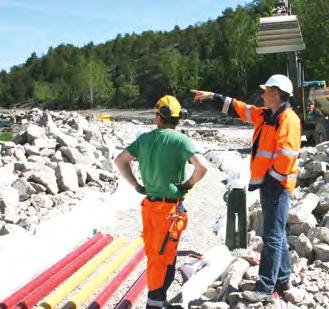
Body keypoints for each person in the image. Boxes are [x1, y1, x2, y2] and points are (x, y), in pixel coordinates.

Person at [191, 74, 301, 303]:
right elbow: (239, 109)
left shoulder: (288, 120)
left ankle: (265, 288)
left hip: (277, 186)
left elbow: (287, 157)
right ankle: (283, 279)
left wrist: (271, 180)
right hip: (271, 184)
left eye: (266, 91)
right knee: (277, 233)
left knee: (271, 236)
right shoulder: (266, 115)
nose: (262, 95)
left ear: (276, 93)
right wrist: (213, 97)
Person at [115, 95, 209, 309]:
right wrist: (188, 184)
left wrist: (137, 185)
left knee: (154, 254)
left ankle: (157, 300)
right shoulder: (180, 140)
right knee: (164, 257)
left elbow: (120, 160)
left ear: (159, 117)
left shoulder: (144, 140)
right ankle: (155, 302)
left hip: (150, 206)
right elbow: (202, 166)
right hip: (171, 210)